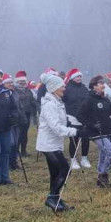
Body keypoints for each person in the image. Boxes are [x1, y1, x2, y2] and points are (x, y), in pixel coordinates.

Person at [36, 75, 79, 212]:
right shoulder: (49, 105)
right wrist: (74, 131)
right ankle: (52, 198)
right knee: (65, 169)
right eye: (62, 86)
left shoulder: (57, 102)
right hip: (48, 144)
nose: (64, 88)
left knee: (55, 172)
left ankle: (56, 200)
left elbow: (61, 120)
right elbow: (55, 127)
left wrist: (73, 122)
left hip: (54, 143)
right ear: (54, 88)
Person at [78, 75, 111, 188]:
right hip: (95, 132)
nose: (103, 85)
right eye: (100, 83)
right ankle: (103, 173)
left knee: (104, 154)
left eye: (103, 83)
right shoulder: (89, 99)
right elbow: (80, 115)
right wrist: (92, 124)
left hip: (107, 131)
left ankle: (100, 178)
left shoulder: (105, 99)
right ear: (94, 86)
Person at [62, 69, 90, 170]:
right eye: (77, 77)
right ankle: (73, 160)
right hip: (72, 117)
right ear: (73, 78)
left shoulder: (84, 88)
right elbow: (63, 102)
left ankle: (84, 158)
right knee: (74, 139)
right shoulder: (67, 88)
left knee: (86, 138)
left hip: (84, 117)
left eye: (80, 76)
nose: (79, 78)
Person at [13, 71, 36, 157]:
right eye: (20, 81)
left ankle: (23, 151)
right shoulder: (14, 90)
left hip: (27, 113)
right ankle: (16, 151)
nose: (22, 83)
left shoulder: (28, 90)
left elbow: (32, 100)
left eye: (24, 81)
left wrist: (37, 106)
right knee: (19, 133)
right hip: (18, 114)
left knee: (25, 133)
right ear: (17, 82)